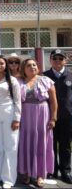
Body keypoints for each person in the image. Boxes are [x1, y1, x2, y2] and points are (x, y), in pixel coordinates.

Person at [18, 58, 58, 188]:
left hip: (42, 115)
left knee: (42, 143)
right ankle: (27, 172)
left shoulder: (46, 80)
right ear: (24, 68)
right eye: (29, 65)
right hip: (25, 116)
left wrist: (53, 118)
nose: (32, 67)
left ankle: (40, 174)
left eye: (34, 65)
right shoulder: (19, 82)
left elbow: (53, 101)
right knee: (26, 142)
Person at [0, 55, 22, 189]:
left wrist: (16, 119)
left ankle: (8, 178)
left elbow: (17, 101)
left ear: (5, 65)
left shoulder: (12, 80)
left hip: (9, 112)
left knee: (11, 146)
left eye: (2, 63)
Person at [44, 50, 71, 183]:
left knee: (65, 145)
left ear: (65, 60)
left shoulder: (71, 75)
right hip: (49, 117)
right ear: (51, 60)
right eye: (55, 58)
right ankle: (52, 170)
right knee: (51, 144)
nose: (58, 61)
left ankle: (66, 171)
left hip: (67, 117)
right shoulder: (44, 76)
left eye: (61, 58)